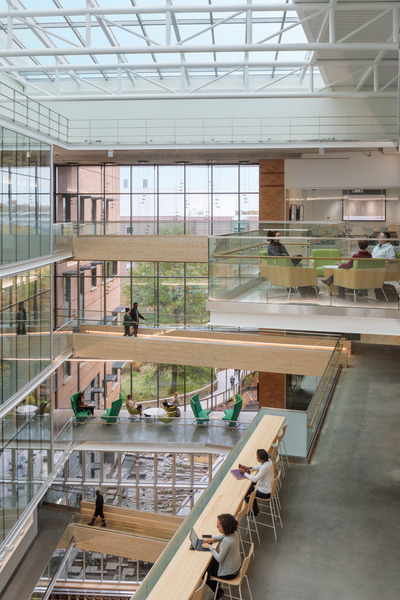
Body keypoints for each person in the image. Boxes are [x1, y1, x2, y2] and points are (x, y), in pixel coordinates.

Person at [202, 513, 242, 598]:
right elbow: (225, 536)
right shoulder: (234, 532)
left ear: (225, 527)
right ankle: (217, 587)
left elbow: (219, 559)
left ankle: (218, 591)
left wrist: (210, 547)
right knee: (210, 562)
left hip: (229, 573)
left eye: (218, 526)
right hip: (236, 566)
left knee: (204, 573)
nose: (217, 527)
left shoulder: (226, 542)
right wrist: (214, 539)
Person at [239, 448, 273, 517]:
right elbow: (260, 466)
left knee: (246, 493)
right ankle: (255, 509)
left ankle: (253, 511)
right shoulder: (268, 461)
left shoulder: (265, 467)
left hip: (265, 493)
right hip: (267, 487)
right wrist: (250, 467)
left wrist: (244, 473)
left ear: (260, 459)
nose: (256, 458)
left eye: (257, 457)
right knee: (250, 487)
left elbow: (255, 479)